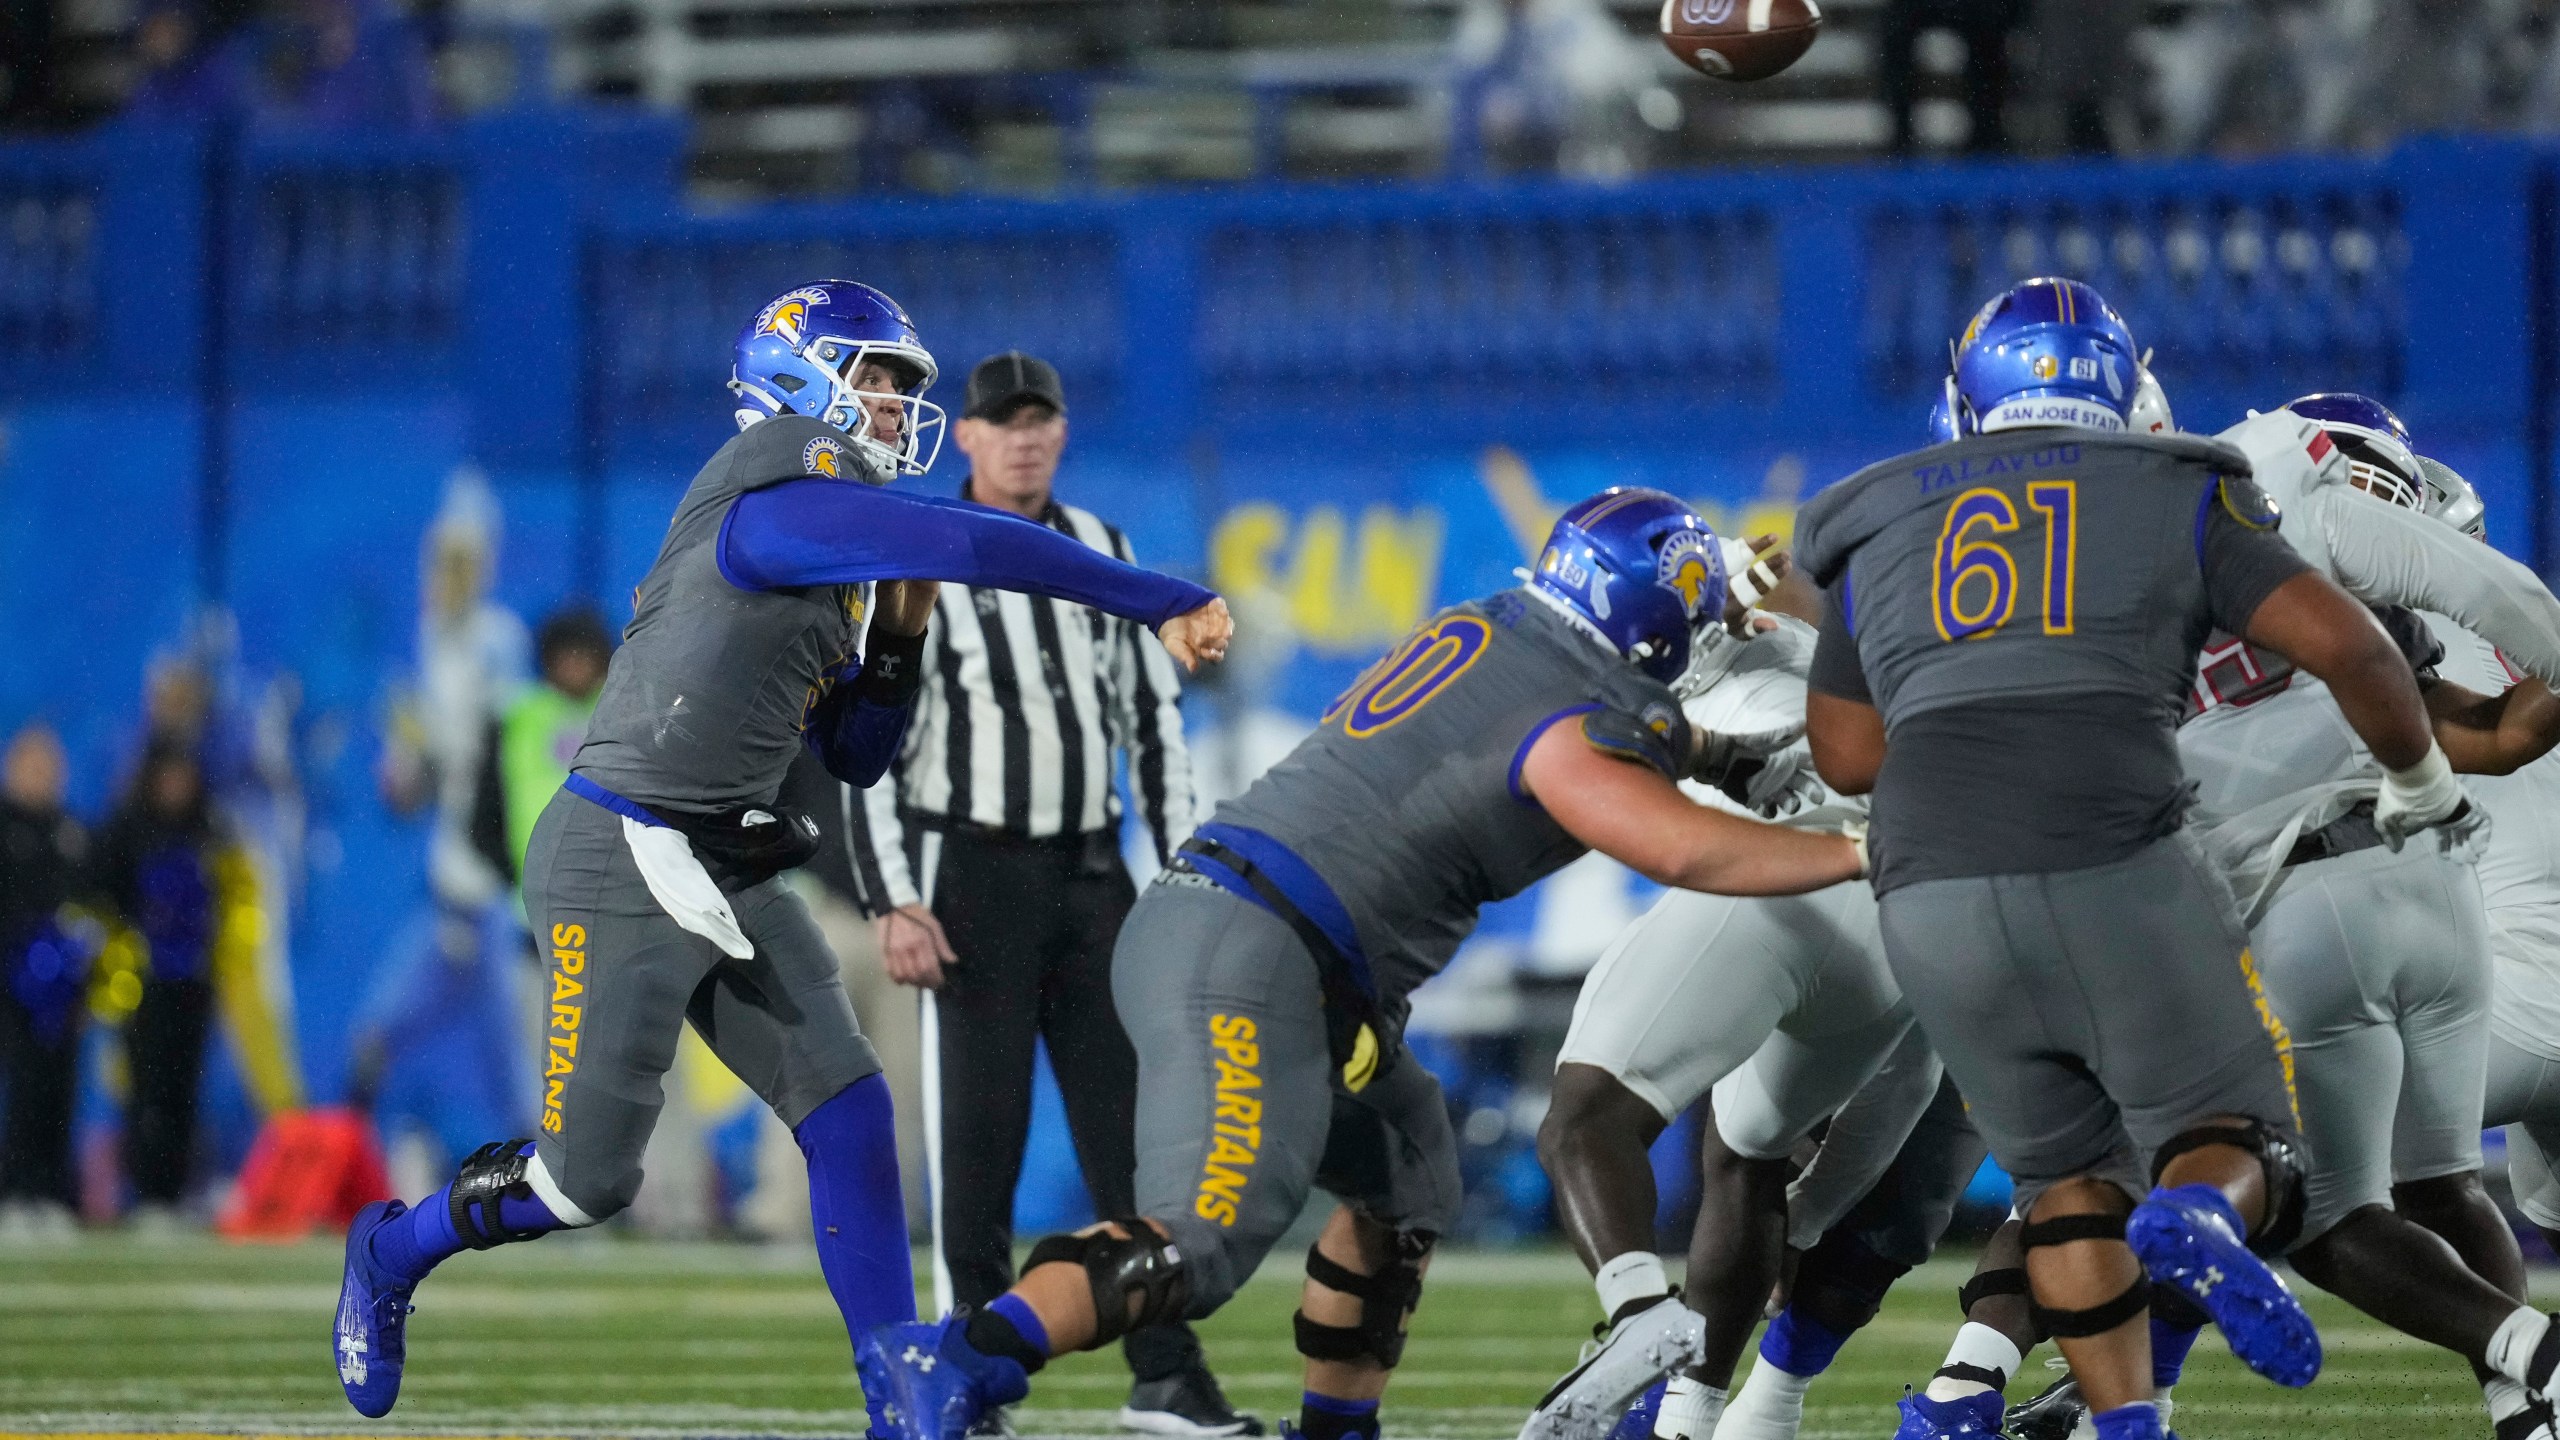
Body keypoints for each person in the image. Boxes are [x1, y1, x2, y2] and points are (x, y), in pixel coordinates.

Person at [329, 278, 1231, 1419]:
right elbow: (969, 534)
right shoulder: (773, 492)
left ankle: (894, 1384)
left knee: (848, 1109)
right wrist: (1154, 597)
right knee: (583, 1180)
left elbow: (855, 750)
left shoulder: (834, 533)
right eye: (883, 380)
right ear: (802, 379)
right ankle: (394, 1249)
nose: (904, 406)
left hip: (730, 859)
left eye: (909, 385)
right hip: (625, 853)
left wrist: (897, 631)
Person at [856, 487, 1868, 1440]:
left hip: (1271, 946)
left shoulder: (1499, 630)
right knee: (1202, 1241)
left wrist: (1715, 752)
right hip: (1258, 956)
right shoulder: (1570, 718)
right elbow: (1679, 846)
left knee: (1411, 1167)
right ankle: (956, 1357)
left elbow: (1620, 732)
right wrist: (1861, 849)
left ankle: (1338, 1427)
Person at [1794, 276, 2471, 1440]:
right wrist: (2419, 782)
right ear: (2126, 387)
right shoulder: (2181, 485)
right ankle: (2199, 1218)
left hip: (1926, 880)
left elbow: (1847, 756)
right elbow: (2355, 649)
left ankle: (2120, 1425)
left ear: (1966, 400)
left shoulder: (1871, 515)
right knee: (2242, 1139)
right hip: (2110, 845)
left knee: (2063, 1191)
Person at [845, 351, 1246, 1436]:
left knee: (1136, 1137)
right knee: (980, 1144)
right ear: (966, 436)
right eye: (1001, 421)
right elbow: (868, 733)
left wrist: (1178, 874)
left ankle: (1164, 1368)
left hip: (1090, 875)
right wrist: (890, 895)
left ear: (1061, 432)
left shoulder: (1102, 547)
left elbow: (1153, 725)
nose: (1023, 437)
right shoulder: (924, 551)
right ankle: (965, 1365)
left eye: (1041, 419)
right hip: (969, 872)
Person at [1523, 592, 1926, 1440]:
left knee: (1582, 1120)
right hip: (1907, 928)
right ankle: (1692, 1419)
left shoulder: (1630, 682)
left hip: (1784, 891)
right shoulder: (1841, 648)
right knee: (1750, 1160)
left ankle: (1641, 1321)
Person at [93, 740, 228, 1226]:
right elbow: (102, 900)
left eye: (184, 775)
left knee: (184, 1087)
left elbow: (230, 901)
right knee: (145, 1086)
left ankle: (173, 1193)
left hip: (192, 980)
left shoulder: (208, 830)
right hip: (141, 982)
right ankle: (145, 1193)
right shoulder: (127, 830)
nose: (176, 785)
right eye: (168, 775)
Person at [0, 722, 92, 1236]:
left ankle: (48, 1190)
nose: (42, 777)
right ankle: (12, 1189)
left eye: (49, 768)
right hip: (10, 985)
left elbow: (86, 903)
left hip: (61, 991)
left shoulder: (70, 832)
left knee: (57, 1087)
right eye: (32, 766)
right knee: (21, 1088)